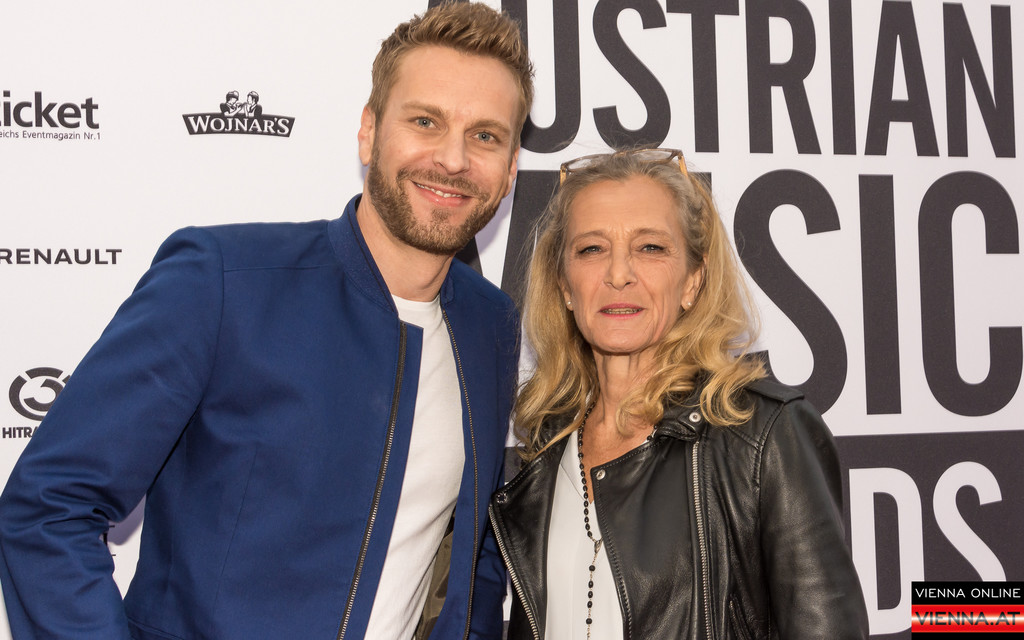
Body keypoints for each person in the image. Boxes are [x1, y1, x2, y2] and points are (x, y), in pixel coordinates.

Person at [0, 3, 533, 639]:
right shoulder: (223, 281)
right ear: (369, 132)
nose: (452, 159)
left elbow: (473, 560)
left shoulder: (490, 325)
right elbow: (48, 509)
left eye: (485, 136)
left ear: (509, 169)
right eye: (425, 121)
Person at [488, 148, 869, 639]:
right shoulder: (545, 445)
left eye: (650, 248)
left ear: (693, 279)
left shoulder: (763, 434)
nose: (618, 274)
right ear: (564, 285)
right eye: (591, 249)